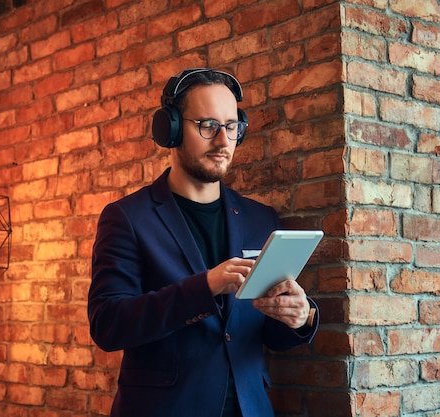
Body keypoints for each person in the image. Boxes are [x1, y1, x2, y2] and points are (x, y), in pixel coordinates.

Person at [88, 68, 319, 417]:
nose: (224, 141)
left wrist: (300, 317)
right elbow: (108, 325)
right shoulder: (127, 218)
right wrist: (205, 286)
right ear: (172, 129)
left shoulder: (261, 219)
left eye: (231, 127)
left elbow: (266, 335)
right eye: (208, 126)